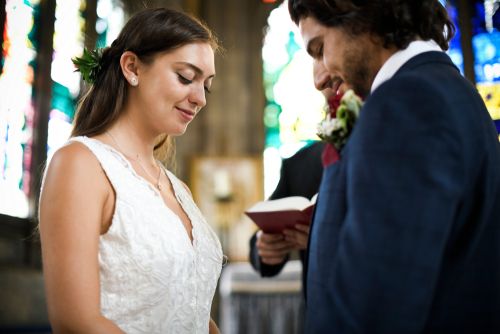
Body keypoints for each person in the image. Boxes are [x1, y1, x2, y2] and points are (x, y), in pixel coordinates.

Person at [288, 0, 500, 333]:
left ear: (362, 16)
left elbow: (375, 307)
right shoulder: (447, 87)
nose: (319, 77)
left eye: (319, 48)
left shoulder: (406, 103)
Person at [39, 8, 222, 334]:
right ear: (132, 67)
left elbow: (190, 308)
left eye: (206, 86)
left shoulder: (178, 189)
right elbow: (76, 322)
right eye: (185, 77)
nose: (200, 99)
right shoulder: (81, 164)